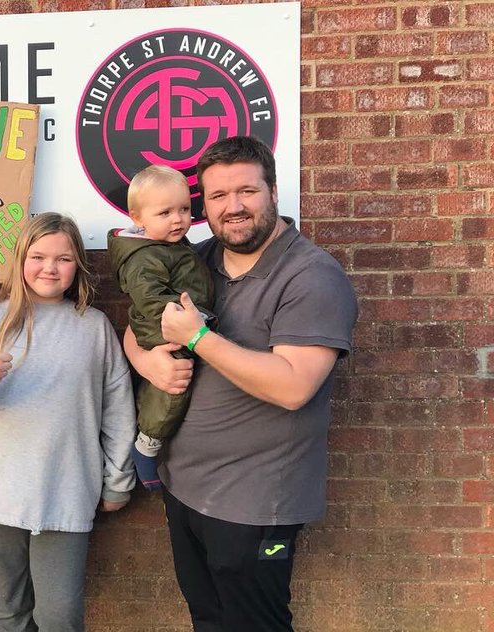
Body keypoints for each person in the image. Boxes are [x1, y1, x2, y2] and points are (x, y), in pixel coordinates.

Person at [122, 136, 358, 632]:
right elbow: (137, 325)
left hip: (256, 500)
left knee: (254, 625)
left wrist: (200, 338)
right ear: (202, 205)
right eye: (217, 197)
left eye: (246, 191)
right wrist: (147, 362)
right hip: (184, 488)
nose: (233, 207)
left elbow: (294, 386)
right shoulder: (195, 258)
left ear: (273, 191)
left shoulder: (310, 276)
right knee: (208, 619)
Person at [0, 212, 135, 632]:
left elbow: (117, 407)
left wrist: (117, 480)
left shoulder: (94, 328)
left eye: (62, 258)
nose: (49, 267)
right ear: (21, 259)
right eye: (38, 256)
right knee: (10, 609)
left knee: (60, 617)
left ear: (77, 264)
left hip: (65, 490)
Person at [106, 165, 214, 491]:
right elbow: (152, 299)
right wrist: (195, 323)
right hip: (164, 326)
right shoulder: (144, 257)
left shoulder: (172, 245)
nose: (178, 219)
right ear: (138, 218)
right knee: (173, 386)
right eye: (165, 212)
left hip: (178, 321)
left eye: (183, 209)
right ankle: (147, 444)